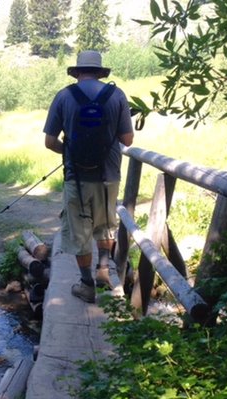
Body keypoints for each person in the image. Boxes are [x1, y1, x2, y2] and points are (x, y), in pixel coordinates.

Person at [43, 50, 134, 302]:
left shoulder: (63, 96)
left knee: (79, 231)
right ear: (100, 71)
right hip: (109, 175)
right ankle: (104, 272)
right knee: (105, 224)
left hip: (77, 177)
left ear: (77, 71)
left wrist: (69, 151)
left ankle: (86, 284)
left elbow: (50, 141)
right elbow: (127, 139)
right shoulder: (117, 95)